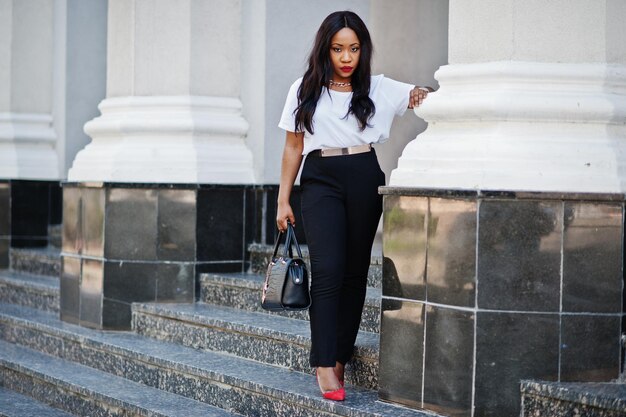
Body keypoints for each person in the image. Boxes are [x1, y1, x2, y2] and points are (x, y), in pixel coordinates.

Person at [276, 10, 431, 401]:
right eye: (338, 49)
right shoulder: (304, 90)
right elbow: (294, 146)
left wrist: (419, 95)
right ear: (325, 50)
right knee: (328, 270)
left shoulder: (377, 88)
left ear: (363, 51)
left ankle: (341, 354)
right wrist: (283, 198)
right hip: (320, 177)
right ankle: (324, 362)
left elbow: (425, 98)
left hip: (364, 174)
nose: (347, 57)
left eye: (354, 49)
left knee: (354, 274)